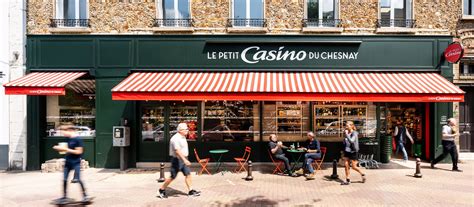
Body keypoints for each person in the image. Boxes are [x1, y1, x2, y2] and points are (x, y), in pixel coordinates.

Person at [157, 123, 201, 198]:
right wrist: (185, 160)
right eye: (186, 129)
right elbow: (177, 151)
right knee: (172, 176)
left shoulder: (182, 137)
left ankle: (191, 191)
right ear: (180, 130)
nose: (187, 130)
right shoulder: (175, 139)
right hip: (177, 160)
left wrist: (185, 159)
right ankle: (161, 190)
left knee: (188, 174)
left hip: (183, 159)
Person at [52, 123, 91, 204]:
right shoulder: (67, 138)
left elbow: (79, 151)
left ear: (70, 130)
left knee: (78, 179)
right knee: (65, 179)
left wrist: (66, 149)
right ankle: (64, 197)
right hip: (68, 162)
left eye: (63, 131)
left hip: (76, 162)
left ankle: (85, 196)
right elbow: (66, 149)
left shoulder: (78, 139)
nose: (63, 133)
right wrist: (59, 149)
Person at [341, 121, 366, 185]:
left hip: (353, 151)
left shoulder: (354, 133)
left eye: (347, 125)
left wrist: (346, 135)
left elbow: (352, 141)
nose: (346, 126)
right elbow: (346, 142)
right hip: (347, 151)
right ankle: (347, 179)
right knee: (346, 165)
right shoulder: (347, 132)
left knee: (354, 167)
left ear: (351, 126)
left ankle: (362, 174)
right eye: (346, 125)